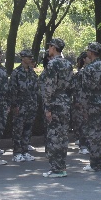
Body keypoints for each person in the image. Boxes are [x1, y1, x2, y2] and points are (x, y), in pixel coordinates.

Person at [40, 38, 74, 178]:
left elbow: (49, 87)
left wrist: (47, 107)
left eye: (50, 47)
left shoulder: (52, 64)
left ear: (54, 48)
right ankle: (62, 166)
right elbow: (72, 86)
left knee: (54, 136)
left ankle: (56, 169)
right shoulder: (68, 64)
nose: (48, 49)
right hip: (65, 102)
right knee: (63, 136)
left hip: (55, 103)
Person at [81, 42, 101, 172]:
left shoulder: (89, 68)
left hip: (92, 102)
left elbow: (85, 89)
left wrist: (84, 106)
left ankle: (94, 164)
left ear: (91, 52)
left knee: (93, 133)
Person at [10, 49, 39, 163]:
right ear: (22, 58)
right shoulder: (16, 73)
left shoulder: (32, 72)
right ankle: (17, 153)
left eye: (31, 57)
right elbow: (13, 90)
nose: (31, 59)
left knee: (28, 129)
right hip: (20, 105)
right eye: (28, 57)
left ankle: (25, 151)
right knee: (18, 129)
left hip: (31, 105)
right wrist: (14, 105)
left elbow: (36, 89)